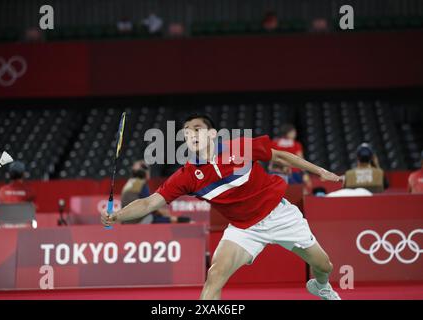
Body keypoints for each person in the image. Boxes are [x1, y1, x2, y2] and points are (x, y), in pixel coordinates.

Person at [101, 114, 341, 300]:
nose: (191, 135)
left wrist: (320, 171)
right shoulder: (187, 176)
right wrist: (119, 215)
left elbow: (280, 157)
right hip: (244, 229)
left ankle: (320, 286)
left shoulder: (238, 148)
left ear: (213, 134)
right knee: (215, 275)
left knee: (324, 265)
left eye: (197, 129)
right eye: (186, 132)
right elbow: (150, 202)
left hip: (280, 214)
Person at [121, 160, 189, 224]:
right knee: (155, 217)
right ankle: (180, 220)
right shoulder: (141, 185)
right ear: (146, 173)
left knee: (155, 215)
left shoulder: (129, 183)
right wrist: (161, 212)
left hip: (125, 220)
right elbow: (149, 205)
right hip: (137, 221)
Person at [270, 124, 313, 193]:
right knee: (299, 193)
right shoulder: (296, 145)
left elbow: (271, 160)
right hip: (294, 174)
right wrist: (305, 174)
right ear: (289, 133)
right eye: (294, 132)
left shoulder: (274, 143)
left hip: (277, 173)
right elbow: (301, 161)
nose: (295, 134)